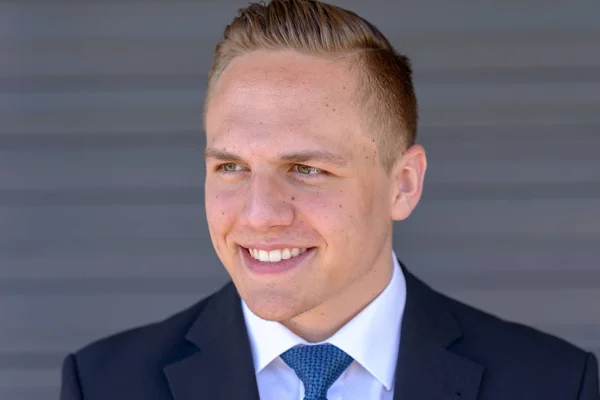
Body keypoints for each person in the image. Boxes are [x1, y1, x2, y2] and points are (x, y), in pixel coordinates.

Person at [59, 1, 599, 399]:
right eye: (231, 167)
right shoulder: (105, 384)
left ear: (403, 184)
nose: (259, 214)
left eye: (306, 169)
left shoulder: (552, 383)